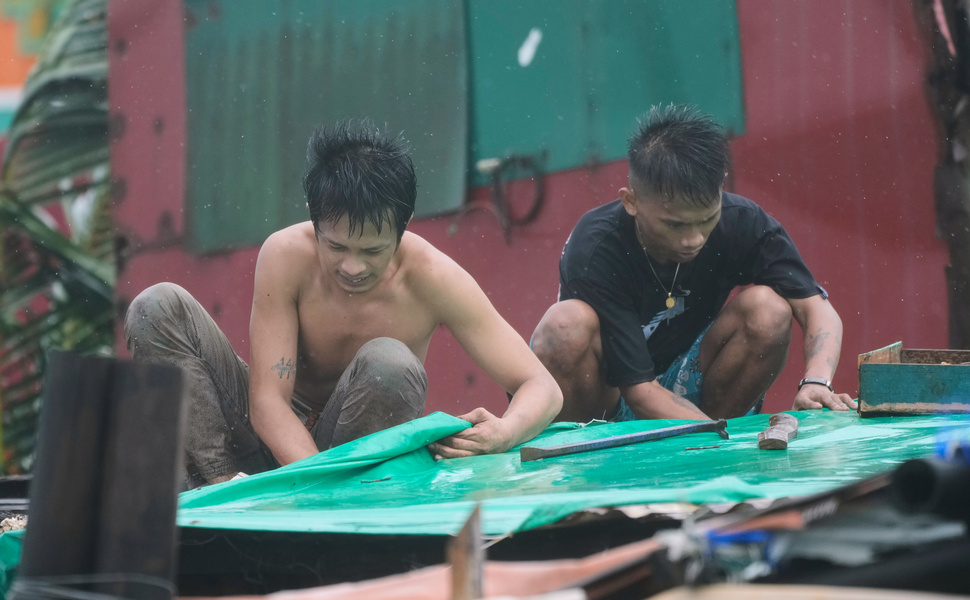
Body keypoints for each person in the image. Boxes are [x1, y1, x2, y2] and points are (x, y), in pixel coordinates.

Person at [126, 120, 562, 489]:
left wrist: (504, 432)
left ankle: (339, 498)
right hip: (263, 447)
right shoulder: (284, 255)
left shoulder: (435, 278)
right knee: (156, 305)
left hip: (354, 470)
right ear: (314, 223)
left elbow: (542, 387)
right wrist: (302, 477)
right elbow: (268, 402)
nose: (352, 267)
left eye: (372, 251)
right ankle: (218, 488)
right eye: (335, 247)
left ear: (403, 226)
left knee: (390, 362)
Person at [531, 105, 855, 423]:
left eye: (707, 219)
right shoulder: (596, 248)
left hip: (687, 388)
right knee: (565, 325)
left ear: (721, 187)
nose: (694, 240)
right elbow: (640, 392)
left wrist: (817, 380)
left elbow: (816, 308)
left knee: (770, 309)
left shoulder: (742, 221)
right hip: (611, 400)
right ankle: (585, 461)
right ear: (631, 202)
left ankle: (713, 455)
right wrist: (714, 437)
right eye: (675, 225)